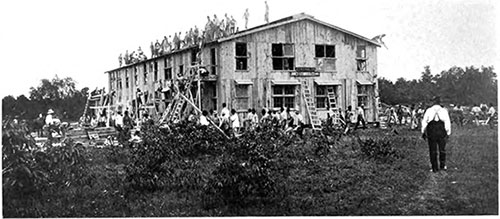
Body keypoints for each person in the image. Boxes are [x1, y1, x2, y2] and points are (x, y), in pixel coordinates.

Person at [421, 96, 451, 173]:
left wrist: (423, 132)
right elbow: (447, 122)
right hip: (441, 131)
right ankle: (442, 165)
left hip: (432, 131)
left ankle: (434, 167)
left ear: (433, 102)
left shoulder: (429, 110)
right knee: (442, 149)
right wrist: (448, 133)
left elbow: (424, 122)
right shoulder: (444, 111)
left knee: (432, 149)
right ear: (439, 102)